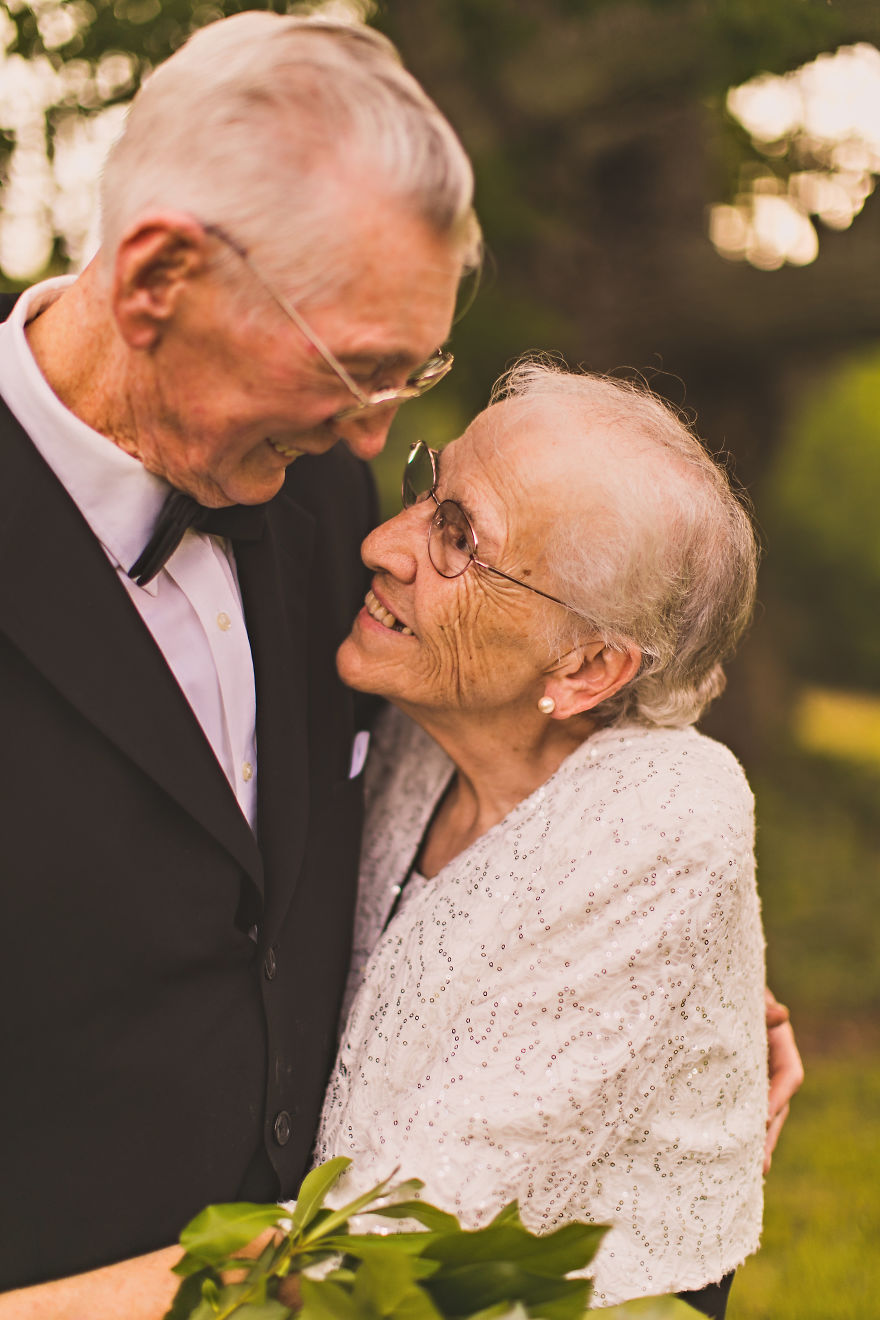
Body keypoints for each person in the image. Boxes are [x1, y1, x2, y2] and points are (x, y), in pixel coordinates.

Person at [0, 10, 477, 1314]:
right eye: (355, 367)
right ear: (157, 277)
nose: (375, 427)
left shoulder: (329, 499)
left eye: (410, 370)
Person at [317, 358, 770, 1314]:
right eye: (426, 490)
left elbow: (411, 1239)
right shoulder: (422, 728)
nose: (382, 545)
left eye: (458, 539)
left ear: (591, 666)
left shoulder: (664, 812)